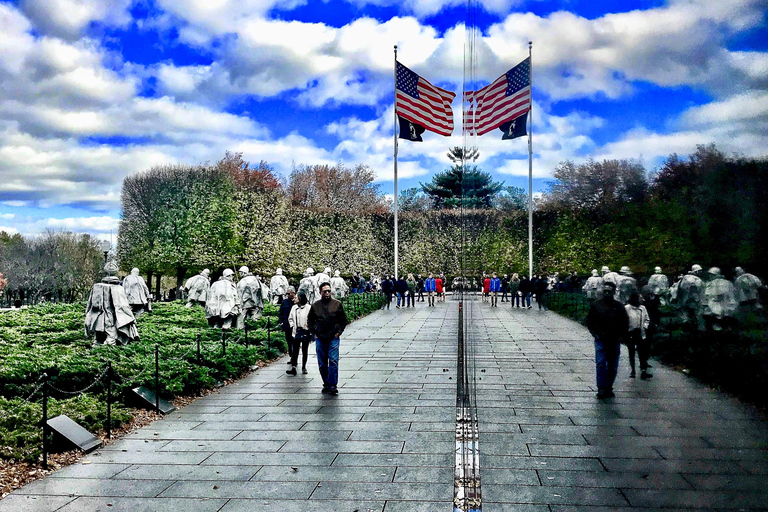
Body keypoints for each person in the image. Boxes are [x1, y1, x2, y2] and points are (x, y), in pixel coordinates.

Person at [586, 281, 629, 399]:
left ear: (613, 292)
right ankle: (601, 388)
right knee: (600, 363)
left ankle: (609, 386)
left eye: (609, 291)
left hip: (614, 339)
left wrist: (622, 336)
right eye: (605, 291)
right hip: (601, 338)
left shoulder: (619, 306)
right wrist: (594, 333)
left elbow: (625, 322)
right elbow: (590, 320)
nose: (606, 293)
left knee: (612, 365)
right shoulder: (596, 305)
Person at [308, 282, 349, 395]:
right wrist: (314, 333)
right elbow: (310, 320)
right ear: (320, 292)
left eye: (329, 291)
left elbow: (343, 320)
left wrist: (338, 332)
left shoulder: (337, 304)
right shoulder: (315, 306)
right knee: (322, 363)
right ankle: (326, 383)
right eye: (325, 291)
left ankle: (333, 385)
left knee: (333, 361)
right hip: (320, 337)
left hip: (333, 337)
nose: (327, 293)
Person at [85, 260, 139, 346]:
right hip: (110, 319)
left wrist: (88, 316)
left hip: (97, 318)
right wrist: (131, 317)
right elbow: (123, 306)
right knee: (111, 339)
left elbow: (89, 305)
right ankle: (105, 353)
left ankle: (95, 351)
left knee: (98, 339)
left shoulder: (96, 286)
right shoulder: (118, 288)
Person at [624, 291, 652, 380]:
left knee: (642, 352)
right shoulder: (627, 308)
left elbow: (647, 319)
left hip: (640, 332)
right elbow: (624, 320)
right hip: (631, 333)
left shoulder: (642, 308)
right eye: (639, 298)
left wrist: (644, 327)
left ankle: (643, 369)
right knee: (631, 351)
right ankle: (632, 370)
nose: (641, 300)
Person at [286, 291, 312, 376]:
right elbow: (290, 318)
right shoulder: (294, 307)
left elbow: (312, 318)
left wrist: (308, 325)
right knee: (295, 349)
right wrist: (292, 326)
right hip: (296, 331)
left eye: (296, 297)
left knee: (305, 349)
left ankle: (304, 366)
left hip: (305, 331)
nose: (295, 299)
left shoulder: (308, 307)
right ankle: (294, 366)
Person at [280, 287, 296, 366]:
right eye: (287, 294)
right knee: (289, 342)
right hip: (287, 325)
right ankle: (291, 356)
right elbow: (281, 313)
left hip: (295, 325)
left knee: (295, 342)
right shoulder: (284, 302)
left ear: (293, 293)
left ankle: (294, 357)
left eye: (289, 293)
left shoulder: (296, 302)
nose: (288, 295)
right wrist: (281, 321)